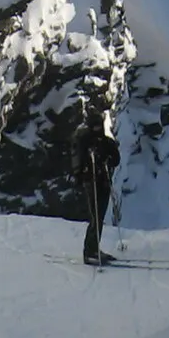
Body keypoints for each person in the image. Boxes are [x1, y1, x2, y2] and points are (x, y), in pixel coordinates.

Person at [72, 106, 121, 266]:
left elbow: (116, 159)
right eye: (95, 126)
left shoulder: (106, 142)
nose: (98, 129)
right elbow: (77, 161)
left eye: (99, 125)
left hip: (103, 182)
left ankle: (94, 248)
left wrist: (109, 155)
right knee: (96, 216)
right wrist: (81, 171)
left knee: (99, 216)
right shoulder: (83, 141)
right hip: (91, 181)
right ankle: (89, 251)